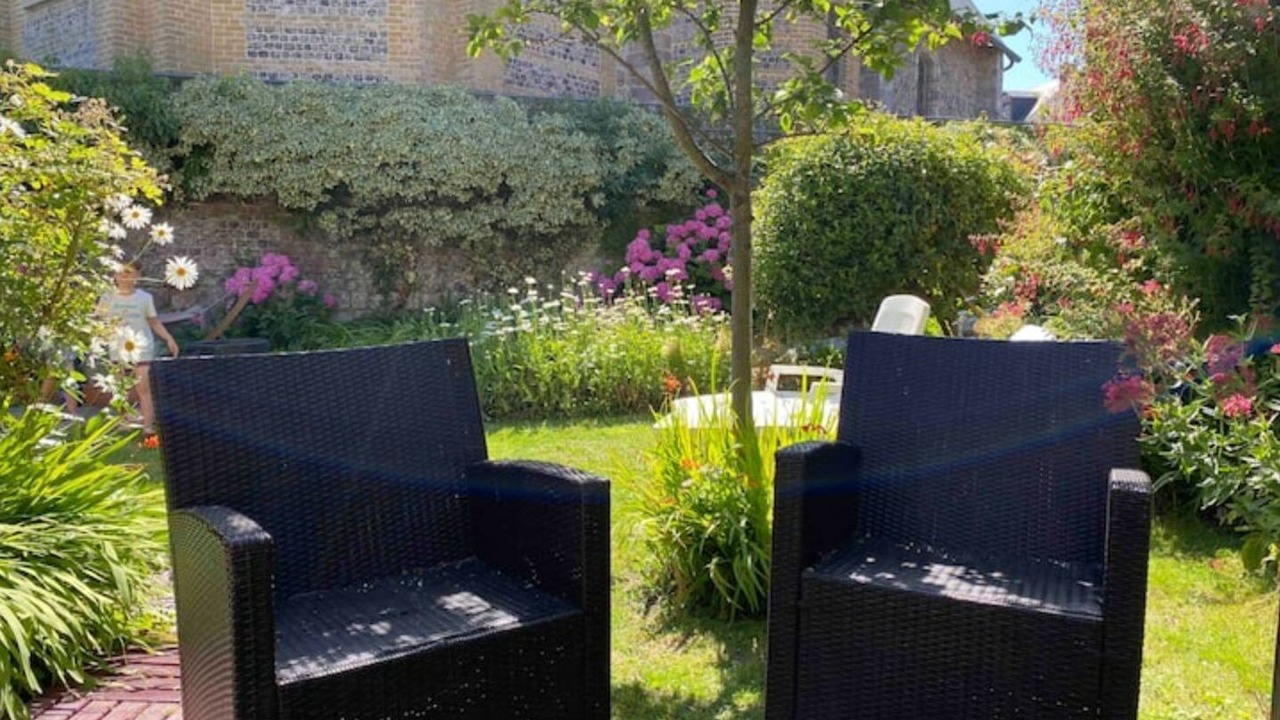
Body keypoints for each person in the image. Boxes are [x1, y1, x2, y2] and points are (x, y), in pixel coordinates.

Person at [99, 263, 179, 446]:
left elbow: (153, 321)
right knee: (119, 389)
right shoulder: (107, 297)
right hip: (117, 347)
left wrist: (169, 338)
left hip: (142, 347)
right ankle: (123, 423)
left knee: (143, 387)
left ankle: (148, 427)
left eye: (130, 275)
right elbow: (100, 322)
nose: (125, 279)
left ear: (138, 276)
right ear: (115, 276)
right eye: (121, 275)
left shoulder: (145, 298)